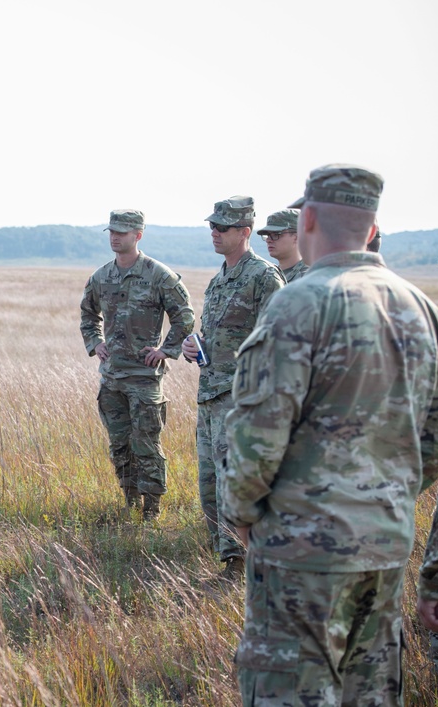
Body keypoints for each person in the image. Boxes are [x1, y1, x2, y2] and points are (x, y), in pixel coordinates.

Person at [221, 165, 438, 705]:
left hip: (301, 550)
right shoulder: (422, 310)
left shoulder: (299, 303)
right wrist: (382, 498)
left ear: (310, 219)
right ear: (371, 228)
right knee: (368, 690)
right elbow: (435, 441)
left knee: (290, 691)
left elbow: (257, 437)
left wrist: (242, 516)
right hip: (385, 543)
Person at [180, 196, 283, 580]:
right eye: (212, 226)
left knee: (232, 481)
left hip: (241, 398)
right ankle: (224, 555)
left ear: (245, 231)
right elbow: (215, 336)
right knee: (209, 482)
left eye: (222, 227)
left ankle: (239, 564)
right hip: (210, 394)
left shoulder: (264, 277)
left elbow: (277, 341)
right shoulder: (219, 279)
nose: (215, 233)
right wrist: (194, 348)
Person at [80, 209, 194, 520]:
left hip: (144, 378)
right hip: (112, 378)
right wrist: (95, 343)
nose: (115, 237)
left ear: (137, 235)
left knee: (146, 444)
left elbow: (184, 317)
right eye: (112, 232)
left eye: (122, 232)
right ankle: (129, 501)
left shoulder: (159, 275)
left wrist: (166, 350)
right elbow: (88, 316)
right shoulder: (101, 277)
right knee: (119, 445)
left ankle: (152, 509)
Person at [258, 209, 308, 282]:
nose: (268, 240)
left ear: (296, 238)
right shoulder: (266, 277)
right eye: (268, 235)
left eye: (276, 234)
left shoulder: (307, 278)